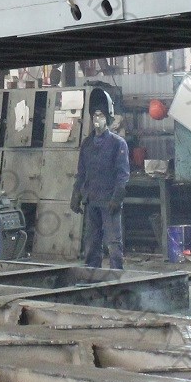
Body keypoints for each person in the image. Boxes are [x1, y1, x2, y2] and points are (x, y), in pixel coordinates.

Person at [72, 107, 130, 269]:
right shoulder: (87, 143)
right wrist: (76, 194)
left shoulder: (118, 143)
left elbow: (123, 175)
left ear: (108, 119)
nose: (97, 119)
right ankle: (92, 275)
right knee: (91, 243)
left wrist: (116, 198)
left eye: (101, 115)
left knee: (113, 243)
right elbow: (81, 172)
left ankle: (116, 275)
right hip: (91, 200)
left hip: (109, 200)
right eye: (95, 115)